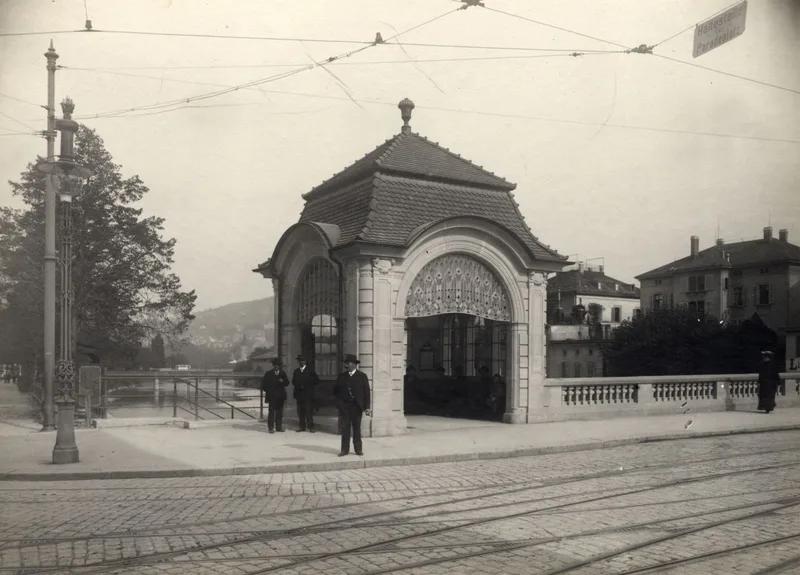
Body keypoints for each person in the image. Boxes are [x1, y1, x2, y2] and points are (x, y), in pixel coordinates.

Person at [333, 354, 371, 456]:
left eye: (348, 363)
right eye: (345, 363)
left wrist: (367, 407)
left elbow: (367, 393)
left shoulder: (362, 376)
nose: (346, 365)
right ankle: (344, 450)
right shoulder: (341, 377)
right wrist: (339, 404)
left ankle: (358, 449)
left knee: (356, 428)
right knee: (345, 428)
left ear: (354, 364)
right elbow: (336, 392)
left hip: (357, 407)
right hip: (345, 407)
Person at [261, 358, 289, 433]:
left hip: (280, 396)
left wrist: (283, 381)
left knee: (279, 412)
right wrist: (270, 392)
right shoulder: (268, 373)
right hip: (272, 396)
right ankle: (270, 428)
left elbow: (287, 383)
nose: (276, 367)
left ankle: (279, 427)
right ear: (273, 365)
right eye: (275, 365)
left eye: (278, 366)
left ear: (279, 366)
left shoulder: (283, 373)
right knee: (271, 412)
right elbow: (264, 385)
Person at [292, 354, 318, 432]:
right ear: (298, 362)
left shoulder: (310, 371)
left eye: (303, 361)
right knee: (300, 411)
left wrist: (307, 385)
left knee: (308, 411)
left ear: (305, 362)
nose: (302, 362)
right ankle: (301, 427)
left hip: (308, 395)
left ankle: (311, 427)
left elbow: (316, 381)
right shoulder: (296, 371)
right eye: (300, 361)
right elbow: (293, 382)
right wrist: (298, 385)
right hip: (299, 395)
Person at [757, 350, 781, 414]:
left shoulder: (773, 365)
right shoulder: (763, 365)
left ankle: (768, 408)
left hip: (771, 385)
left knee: (769, 397)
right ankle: (766, 407)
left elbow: (776, 375)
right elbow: (761, 375)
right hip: (764, 384)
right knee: (764, 396)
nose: (764, 358)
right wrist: (759, 382)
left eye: (765, 357)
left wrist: (777, 383)